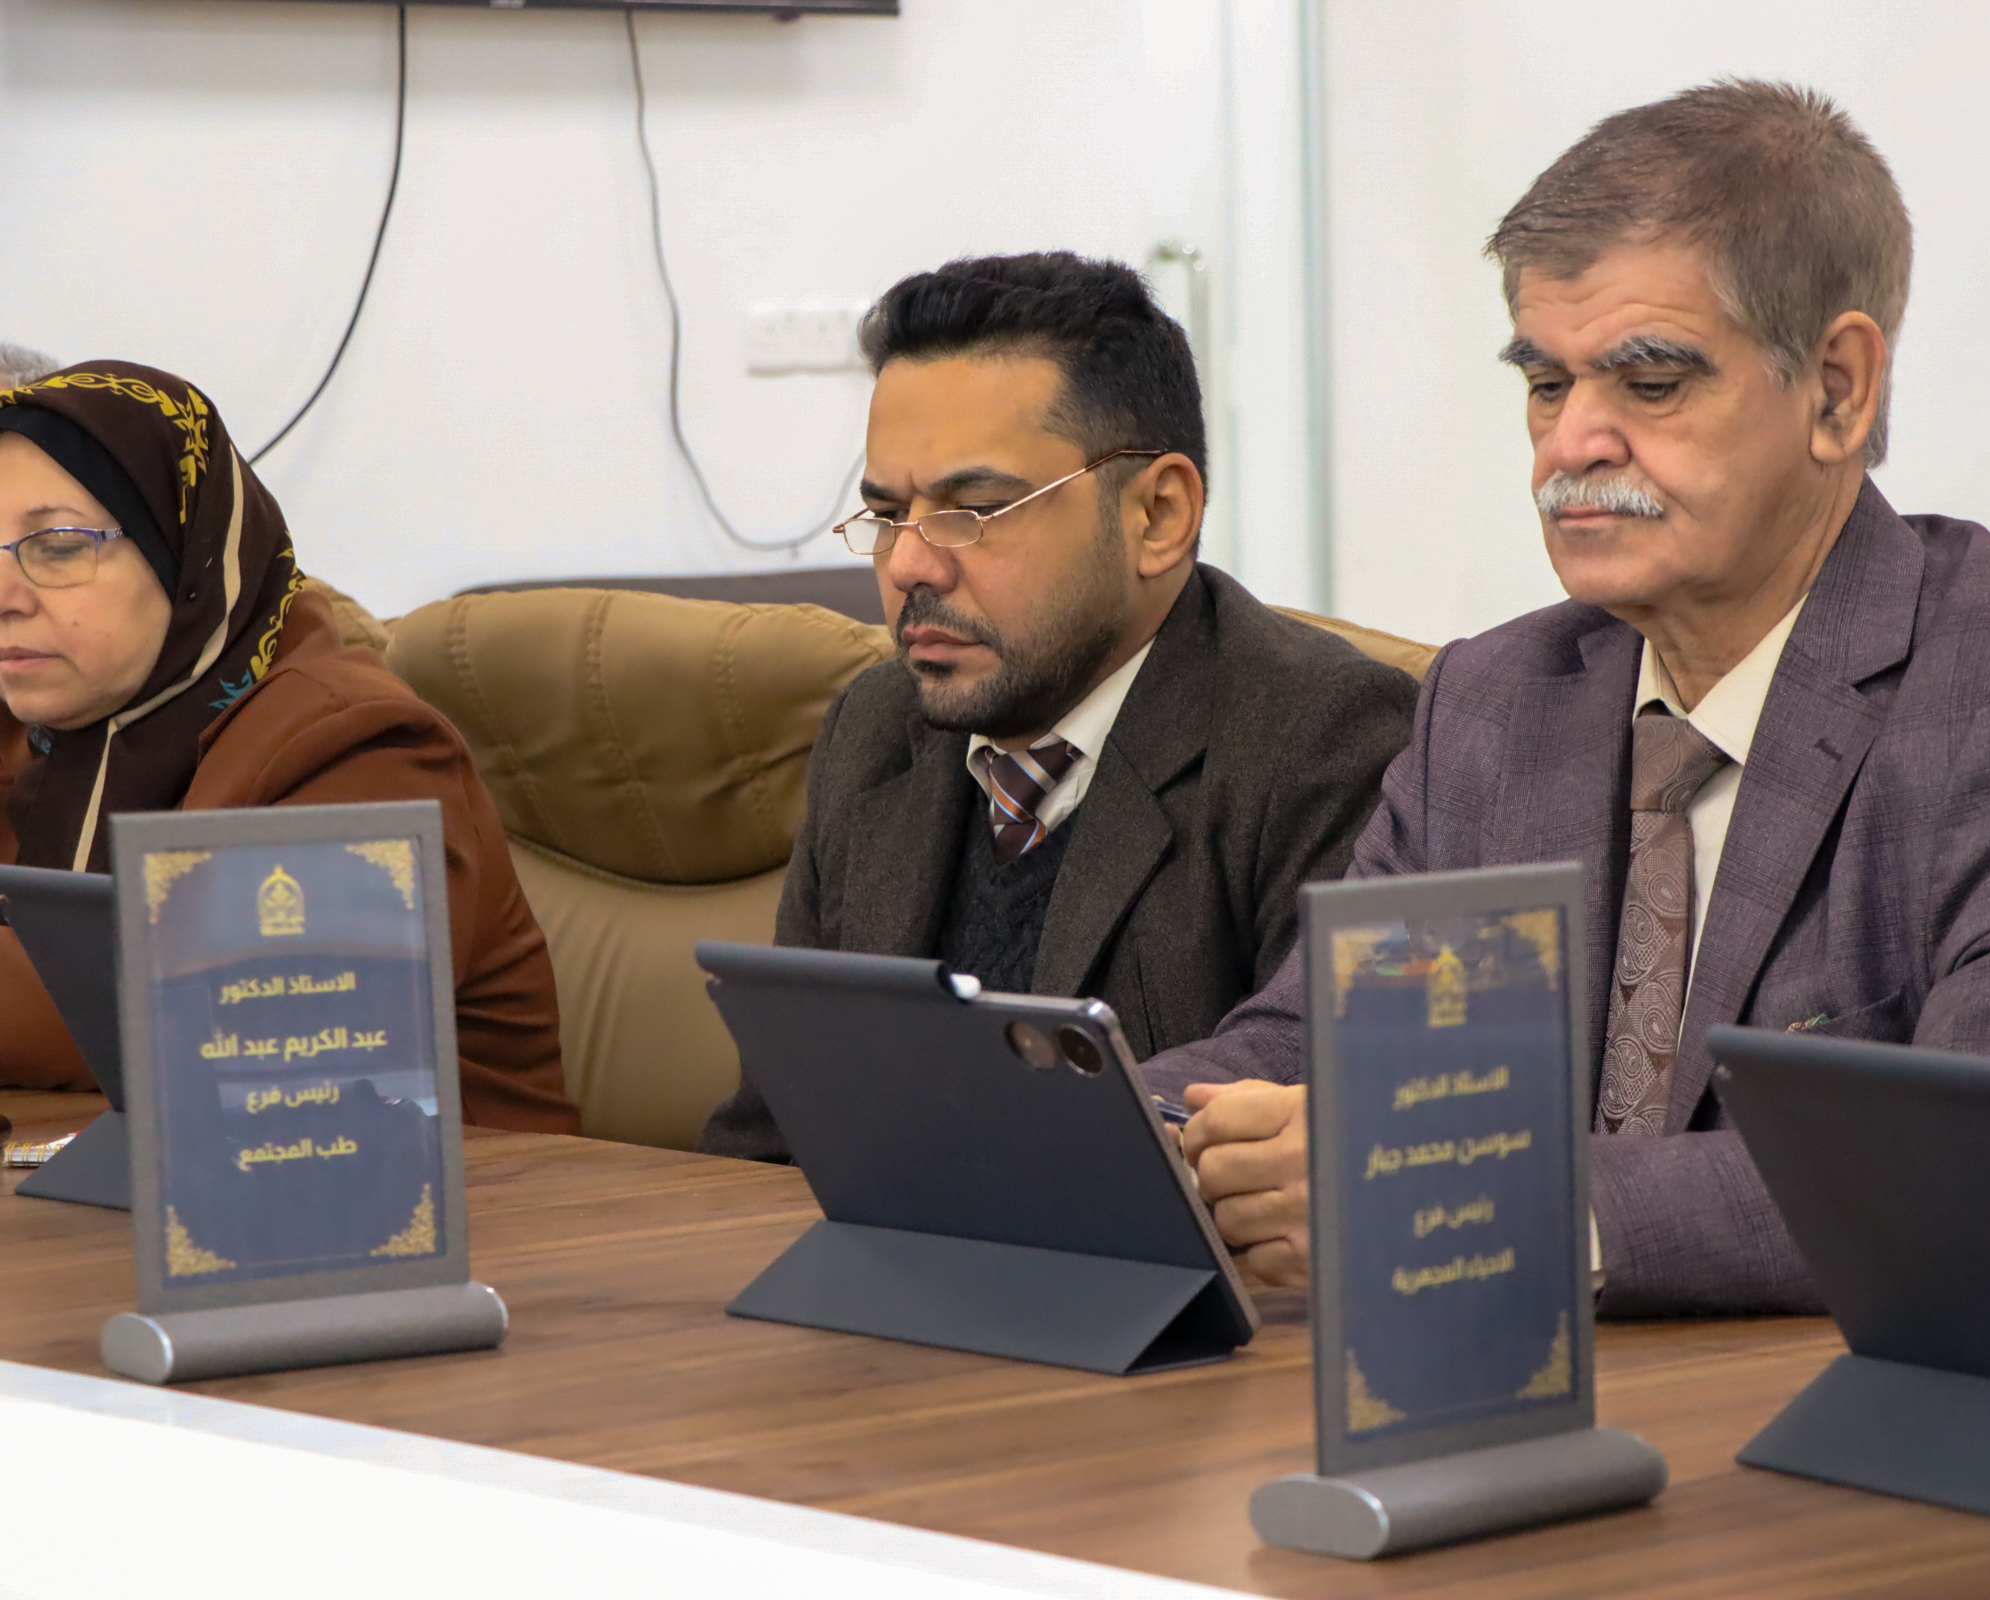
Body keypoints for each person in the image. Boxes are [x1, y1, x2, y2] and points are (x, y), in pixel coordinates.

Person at [1150, 81, 1990, 1317]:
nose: (1571, 444)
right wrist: (1114, 1125)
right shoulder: (1499, 699)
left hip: (1890, 1411)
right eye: (1546, 383)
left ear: (1837, 389)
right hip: (1531, 1391)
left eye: (1649, 382)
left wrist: (1490, 1200)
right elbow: (1313, 1050)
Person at [699, 253, 1419, 1161]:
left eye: (973, 510)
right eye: (887, 514)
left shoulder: (1322, 740)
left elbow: (1300, 1107)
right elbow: (778, 1133)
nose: (909, 564)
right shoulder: (879, 726)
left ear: (1158, 515)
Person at [0, 361, 579, 1133]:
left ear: (188, 555)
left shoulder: (356, 741)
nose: (6, 595)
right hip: (130, 1177)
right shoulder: (52, 738)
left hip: (471, 1191)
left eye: (59, 545)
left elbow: (224, 1020)